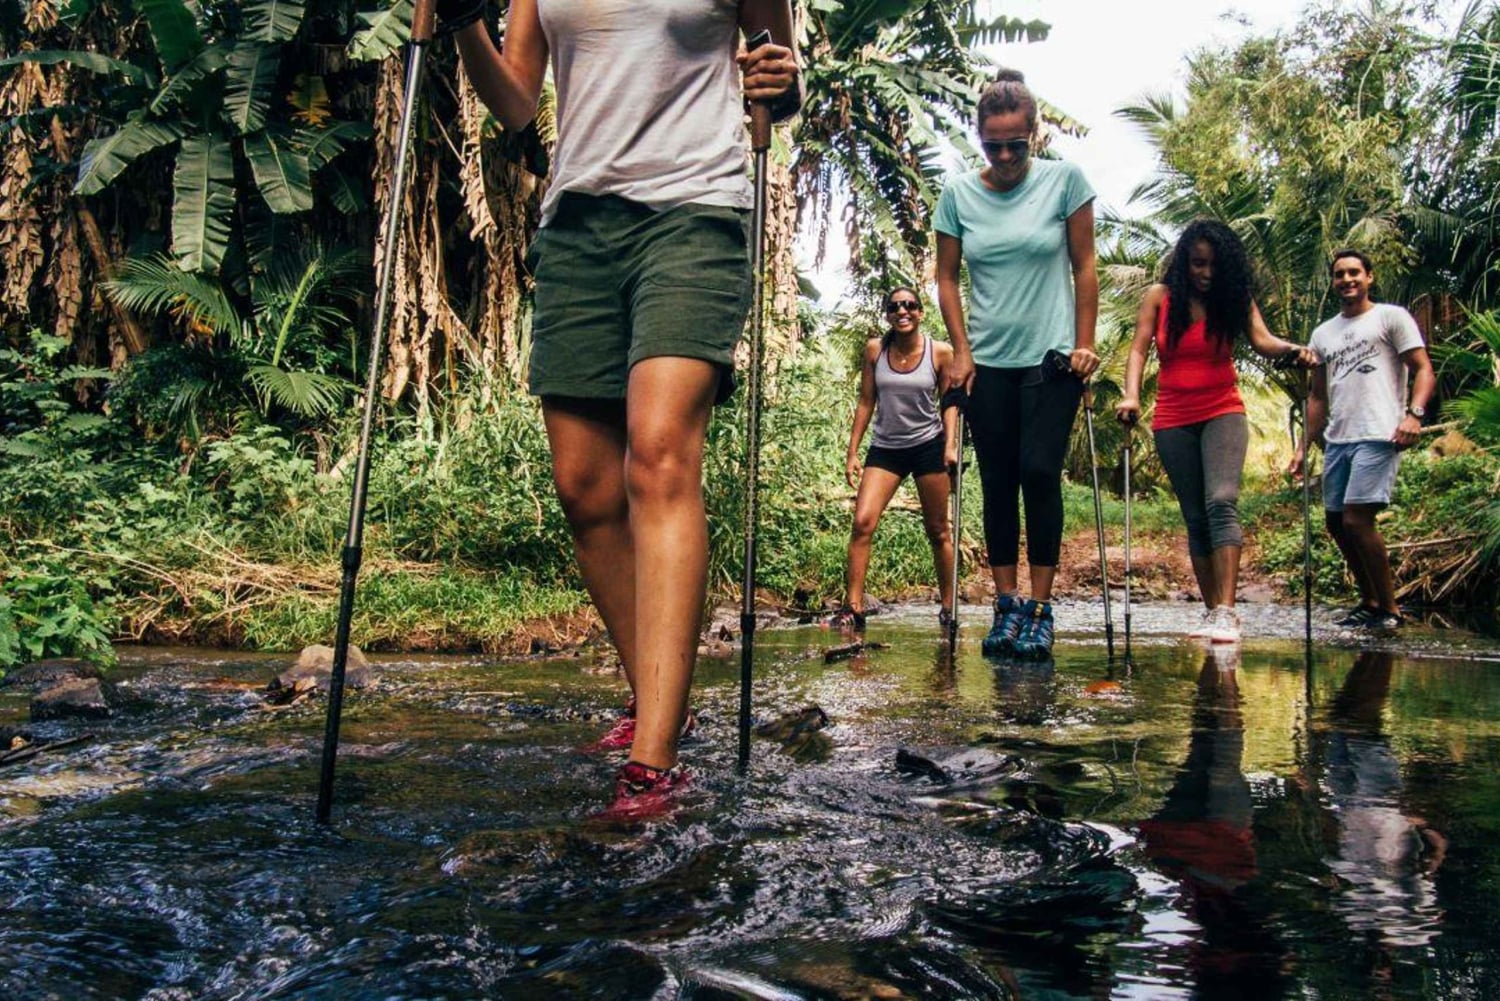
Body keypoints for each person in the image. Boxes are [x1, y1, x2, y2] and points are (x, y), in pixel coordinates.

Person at [444, 0, 799, 815]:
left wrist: (782, 82)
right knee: (584, 486)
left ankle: (655, 762)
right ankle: (658, 696)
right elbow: (516, 103)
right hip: (579, 223)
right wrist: (465, 22)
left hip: (695, 212)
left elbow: (778, 65)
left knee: (659, 452)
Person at [934, 69, 1100, 661]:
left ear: (1036, 135)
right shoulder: (958, 194)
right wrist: (961, 348)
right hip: (988, 361)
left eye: (1016, 144)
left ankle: (1040, 606)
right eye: (993, 144)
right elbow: (947, 279)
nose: (1005, 156)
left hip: (1052, 357)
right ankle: (1004, 605)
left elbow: (1085, 267)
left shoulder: (1065, 183)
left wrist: (1084, 343)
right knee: (998, 481)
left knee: (1038, 470)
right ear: (980, 138)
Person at [1115, 220, 1316, 644]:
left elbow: (1263, 341)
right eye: (1198, 264)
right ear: (1185, 262)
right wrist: (1131, 396)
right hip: (1172, 416)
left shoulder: (1235, 299)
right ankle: (1211, 612)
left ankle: (1227, 611)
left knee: (1221, 501)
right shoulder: (1160, 297)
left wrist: (1294, 350)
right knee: (1194, 517)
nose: (1205, 274)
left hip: (1222, 409)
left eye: (1213, 266)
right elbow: (1138, 348)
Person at [1290, 250, 1435, 631]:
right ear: (1333, 282)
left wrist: (1414, 415)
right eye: (1340, 274)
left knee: (1357, 519)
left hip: (1380, 432)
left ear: (1369, 276)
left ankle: (1390, 609)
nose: (1347, 279)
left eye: (1355, 272)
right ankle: (1370, 602)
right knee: (1337, 523)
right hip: (1339, 438)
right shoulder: (1324, 333)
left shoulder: (1390, 317)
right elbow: (1318, 397)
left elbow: (1423, 370)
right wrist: (1304, 447)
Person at [836, 287, 958, 631]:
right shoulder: (876, 350)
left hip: (928, 446)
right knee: (862, 522)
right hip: (886, 448)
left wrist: (950, 446)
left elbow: (949, 403)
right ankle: (854, 607)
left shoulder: (941, 353)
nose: (902, 311)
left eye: (909, 306)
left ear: (920, 313)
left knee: (938, 530)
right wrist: (852, 452)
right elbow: (865, 401)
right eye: (894, 307)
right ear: (887, 314)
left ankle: (949, 607)